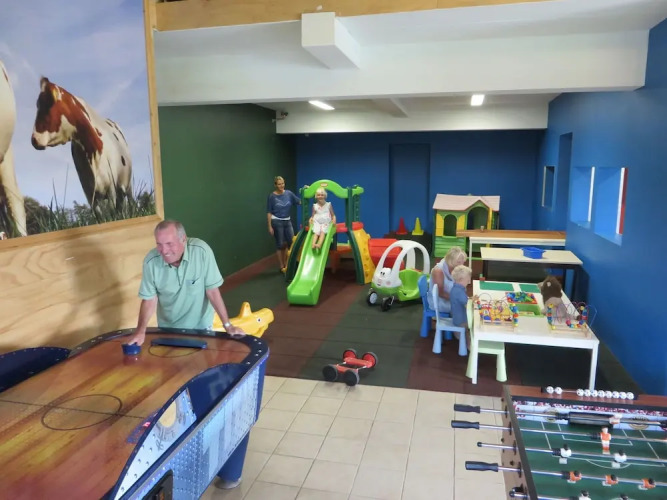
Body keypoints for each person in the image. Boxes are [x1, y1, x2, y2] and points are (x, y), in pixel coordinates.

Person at [127, 220, 245, 346]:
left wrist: (227, 325)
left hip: (202, 328)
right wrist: (140, 331)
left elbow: (212, 292)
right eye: (159, 244)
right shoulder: (150, 262)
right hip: (168, 329)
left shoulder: (202, 251)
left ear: (183, 239)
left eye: (169, 244)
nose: (164, 250)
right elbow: (149, 300)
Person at [266, 176, 301, 273]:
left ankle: (287, 263)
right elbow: (269, 212)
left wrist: (305, 192)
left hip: (287, 221)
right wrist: (269, 226)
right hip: (276, 221)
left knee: (291, 242)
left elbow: (300, 201)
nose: (281, 185)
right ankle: (281, 266)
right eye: (279, 184)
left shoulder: (289, 193)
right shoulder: (272, 197)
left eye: (283, 183)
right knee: (280, 244)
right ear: (275, 185)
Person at [428, 246, 468, 313]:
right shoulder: (438, 271)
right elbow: (440, 293)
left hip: (449, 297)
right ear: (451, 261)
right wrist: (458, 299)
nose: (461, 265)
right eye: (459, 262)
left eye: (463, 262)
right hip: (439, 302)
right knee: (467, 309)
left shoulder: (454, 267)